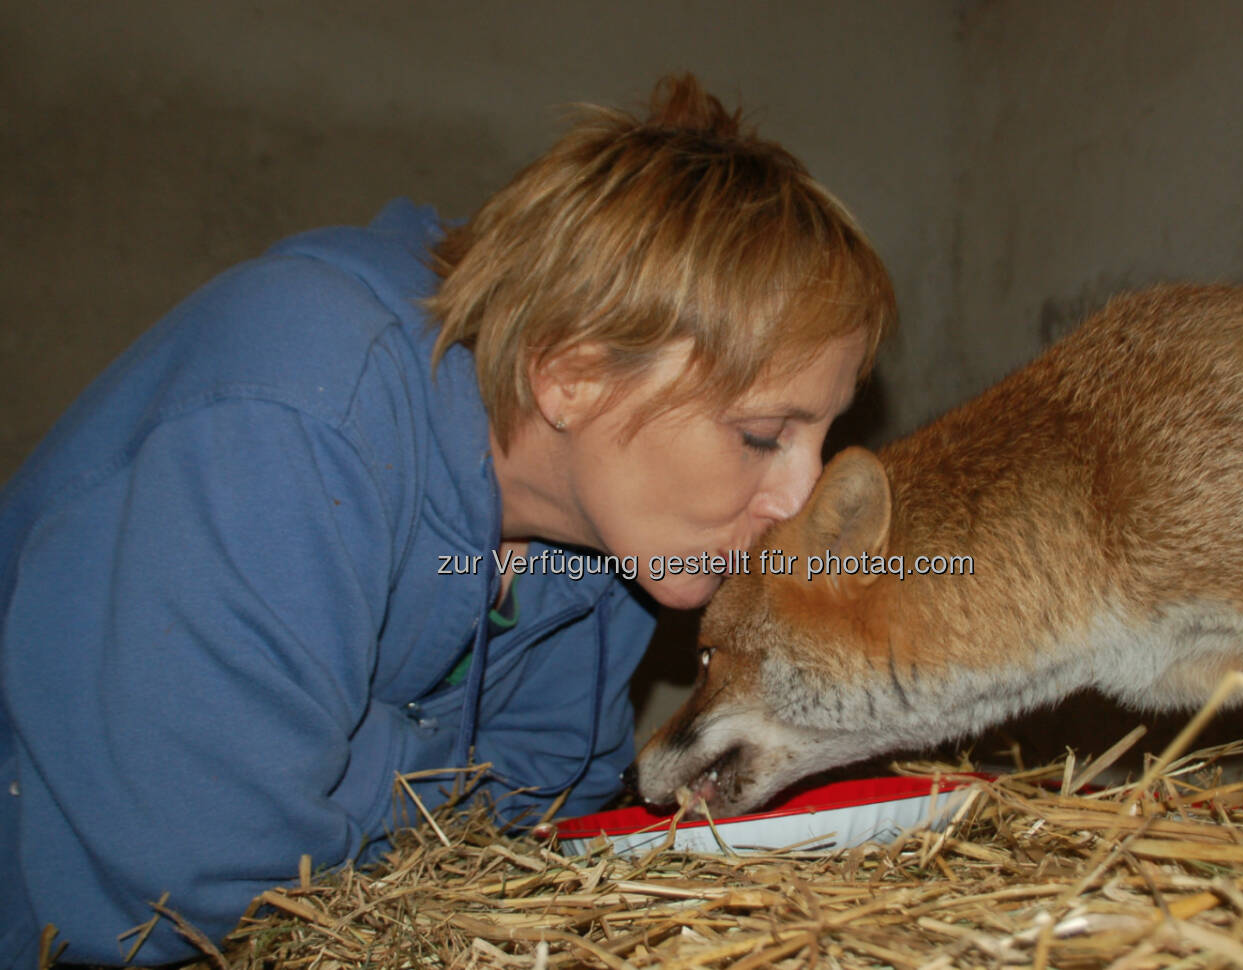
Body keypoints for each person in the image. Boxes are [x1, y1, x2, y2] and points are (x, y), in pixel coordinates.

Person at [0, 74, 895, 967]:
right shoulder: (298, 415)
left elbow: (538, 826)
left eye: (821, 437)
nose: (798, 498)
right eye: (763, 434)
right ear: (570, 373)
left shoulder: (611, 548)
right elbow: (211, 870)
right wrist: (411, 807)